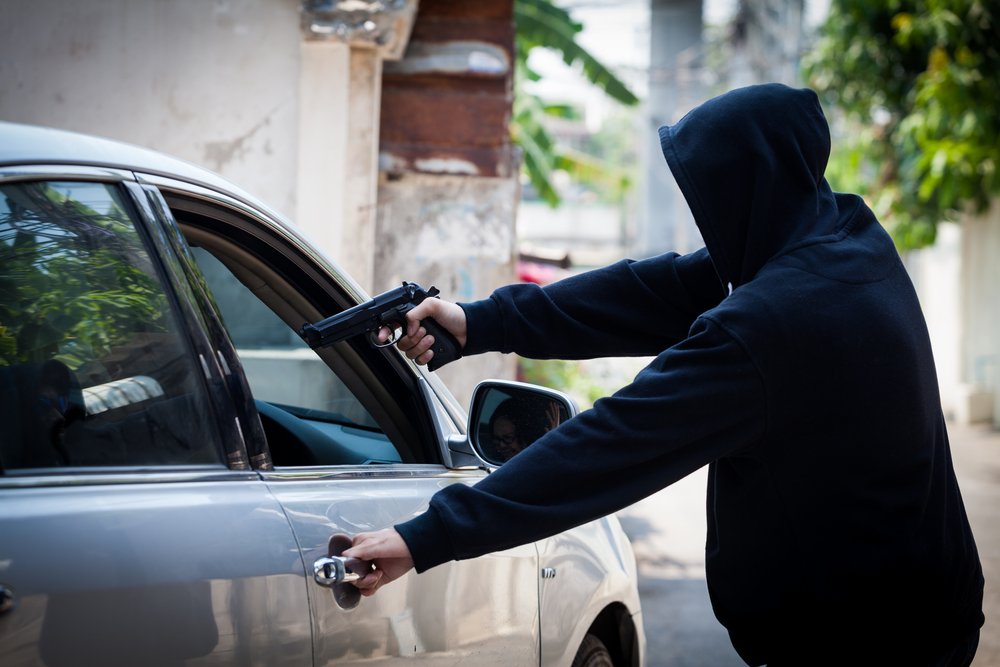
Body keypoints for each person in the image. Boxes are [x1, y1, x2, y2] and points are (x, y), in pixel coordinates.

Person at [343, 84, 984, 665]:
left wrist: (426, 536)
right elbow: (655, 291)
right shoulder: (844, 233)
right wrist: (477, 322)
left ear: (751, 187)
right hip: (922, 611)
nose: (706, 214)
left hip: (866, 646)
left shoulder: (776, 324)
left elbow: (614, 443)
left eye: (713, 194)